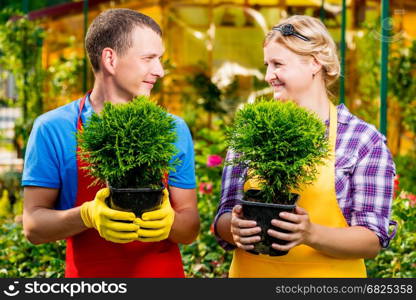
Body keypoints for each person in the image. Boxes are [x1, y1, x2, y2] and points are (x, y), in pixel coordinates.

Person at [214, 15, 396, 278]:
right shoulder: (251, 131)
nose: (268, 76)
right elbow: (224, 213)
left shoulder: (362, 140)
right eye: (267, 64)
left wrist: (310, 233)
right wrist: (234, 226)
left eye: (278, 64)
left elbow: (371, 239)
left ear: (314, 62)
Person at [22, 8, 199, 278]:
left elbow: (190, 228)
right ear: (110, 59)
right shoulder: (53, 128)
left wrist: (169, 221)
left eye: (160, 59)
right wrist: (86, 216)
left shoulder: (173, 128)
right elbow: (33, 227)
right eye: (149, 58)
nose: (160, 71)